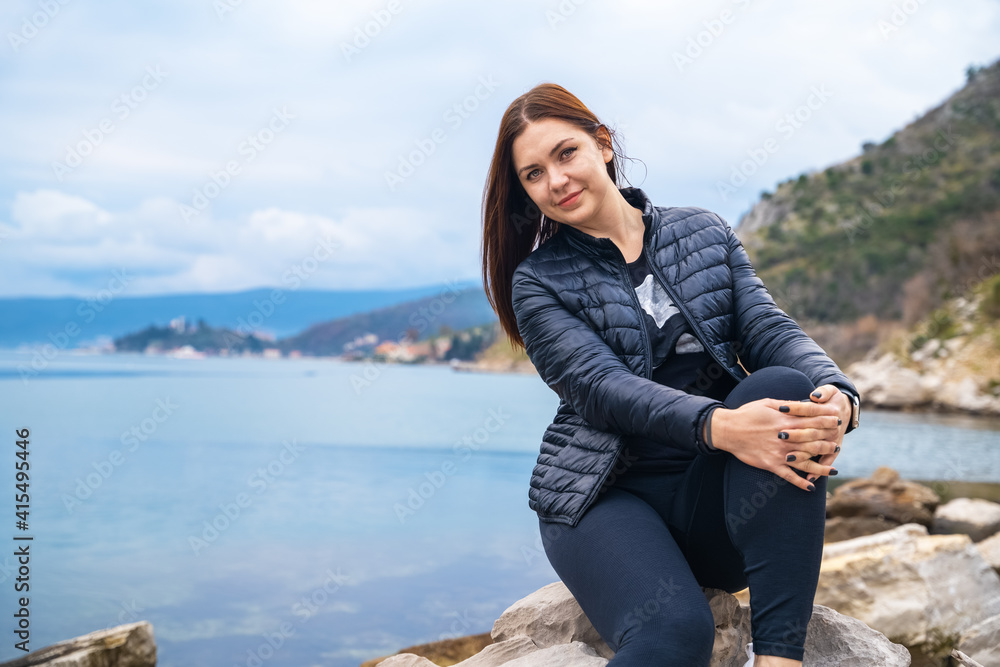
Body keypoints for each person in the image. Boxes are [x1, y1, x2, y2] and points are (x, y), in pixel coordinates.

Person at [479, 83, 861, 667]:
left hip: (715, 500)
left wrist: (839, 395)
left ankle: (782, 660)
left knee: (785, 390)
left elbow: (767, 327)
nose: (555, 181)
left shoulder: (702, 232)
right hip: (605, 497)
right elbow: (601, 388)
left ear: (602, 144)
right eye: (533, 174)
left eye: (565, 154)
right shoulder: (538, 282)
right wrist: (723, 426)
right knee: (678, 633)